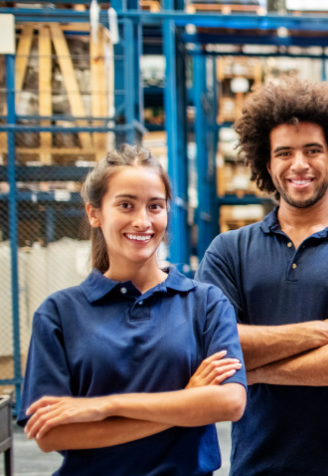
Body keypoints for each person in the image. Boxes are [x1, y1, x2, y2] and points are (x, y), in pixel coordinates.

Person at [195, 77, 328, 475]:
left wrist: (255, 370)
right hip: (260, 461)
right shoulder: (229, 250)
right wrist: (323, 331)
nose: (299, 164)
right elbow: (216, 345)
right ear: (267, 164)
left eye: (313, 150)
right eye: (284, 152)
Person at [19, 145, 247, 475]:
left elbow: (229, 402)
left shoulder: (206, 304)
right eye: (126, 205)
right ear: (94, 213)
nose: (143, 221)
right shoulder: (58, 313)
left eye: (155, 206)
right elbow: (51, 434)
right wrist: (186, 401)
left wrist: (103, 407)